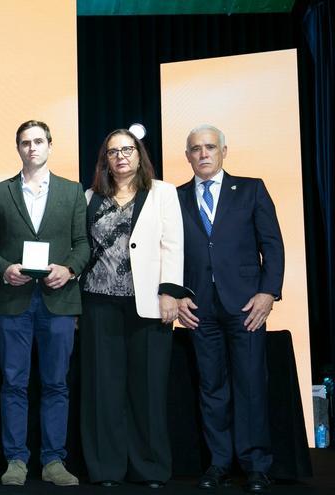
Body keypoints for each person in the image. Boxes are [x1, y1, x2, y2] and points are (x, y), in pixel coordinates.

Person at [0, 120, 89, 487]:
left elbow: (83, 243)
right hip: (14, 301)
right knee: (13, 384)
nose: (32, 148)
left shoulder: (73, 192)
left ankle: (54, 461)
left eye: (38, 142)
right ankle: (16, 461)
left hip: (58, 299)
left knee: (56, 384)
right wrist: (3, 268)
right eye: (25, 143)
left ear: (50, 146)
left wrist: (69, 268)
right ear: (18, 148)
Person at [176, 125, 284, 493]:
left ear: (224, 151)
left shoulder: (251, 188)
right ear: (187, 155)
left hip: (246, 305)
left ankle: (255, 465)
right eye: (196, 149)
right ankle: (219, 463)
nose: (203, 154)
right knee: (212, 388)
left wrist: (269, 292)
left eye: (209, 147)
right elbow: (169, 253)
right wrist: (175, 296)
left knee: (251, 384)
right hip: (198, 309)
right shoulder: (176, 198)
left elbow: (272, 244)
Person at [79, 129, 185, 488]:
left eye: (128, 150)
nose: (121, 156)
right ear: (105, 160)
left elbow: (173, 245)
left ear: (139, 156)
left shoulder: (162, 193)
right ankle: (106, 469)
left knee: (148, 391)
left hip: (150, 305)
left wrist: (170, 292)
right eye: (113, 152)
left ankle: (150, 469)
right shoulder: (91, 196)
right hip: (98, 303)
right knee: (102, 391)